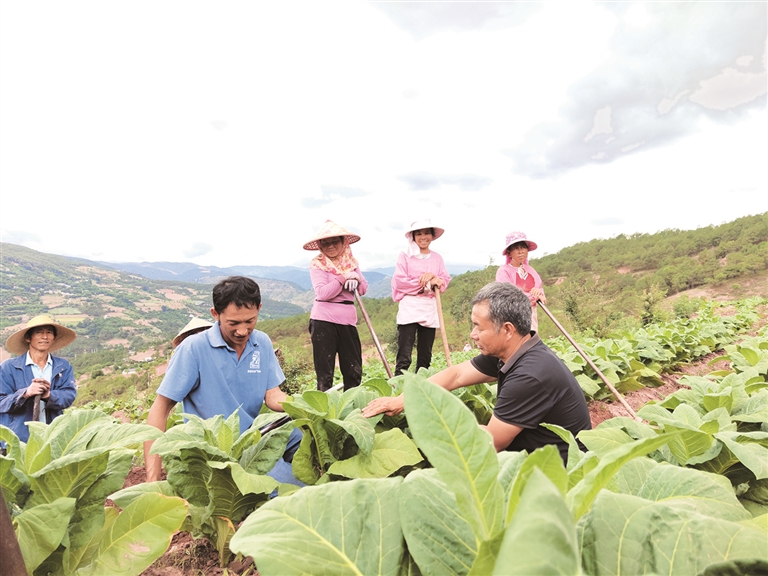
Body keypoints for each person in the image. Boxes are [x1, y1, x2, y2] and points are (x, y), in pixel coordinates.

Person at [362, 282, 591, 463]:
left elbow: (490, 444)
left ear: (507, 330)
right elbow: (457, 375)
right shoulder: (514, 350)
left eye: (479, 326)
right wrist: (403, 400)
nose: (472, 334)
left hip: (560, 476)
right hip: (532, 456)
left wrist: (439, 424)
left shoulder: (529, 375)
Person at [144, 276, 299, 483]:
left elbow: (272, 394)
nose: (243, 331)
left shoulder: (261, 342)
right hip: (219, 451)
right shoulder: (193, 349)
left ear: (259, 309)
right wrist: (152, 479)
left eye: (250, 321)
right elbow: (160, 408)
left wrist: (301, 405)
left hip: (256, 435)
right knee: (294, 489)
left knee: (310, 439)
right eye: (233, 323)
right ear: (215, 314)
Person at [303, 220, 368, 391]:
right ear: (320, 245)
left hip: (347, 321)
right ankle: (325, 410)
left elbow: (363, 289)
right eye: (325, 243)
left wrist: (355, 276)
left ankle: (353, 407)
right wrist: (342, 278)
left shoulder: (351, 263)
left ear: (343, 242)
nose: (330, 246)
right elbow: (323, 293)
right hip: (323, 320)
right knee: (325, 371)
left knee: (353, 369)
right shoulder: (317, 264)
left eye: (334, 242)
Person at [0, 315, 77, 442]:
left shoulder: (63, 367)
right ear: (28, 338)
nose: (45, 337)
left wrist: (49, 396)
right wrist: (25, 393)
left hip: (52, 437)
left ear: (53, 337)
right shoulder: (8, 368)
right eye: (39, 332)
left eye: (49, 332)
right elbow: (1, 402)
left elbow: (68, 396)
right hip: (19, 440)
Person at [392, 219, 451, 376]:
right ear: (413, 236)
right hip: (410, 307)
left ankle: (422, 388)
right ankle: (399, 389)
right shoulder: (405, 256)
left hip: (429, 308)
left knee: (425, 355)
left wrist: (434, 277)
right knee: (405, 355)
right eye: (418, 233)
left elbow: (444, 281)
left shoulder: (437, 258)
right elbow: (400, 282)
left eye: (426, 233)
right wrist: (426, 284)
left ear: (432, 235)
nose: (423, 237)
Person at [496, 231, 546, 333]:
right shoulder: (504, 271)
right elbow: (510, 295)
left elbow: (539, 287)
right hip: (513, 317)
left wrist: (539, 292)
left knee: (531, 341)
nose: (520, 251)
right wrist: (534, 296)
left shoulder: (531, 270)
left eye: (523, 247)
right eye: (516, 248)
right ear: (509, 252)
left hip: (531, 315)